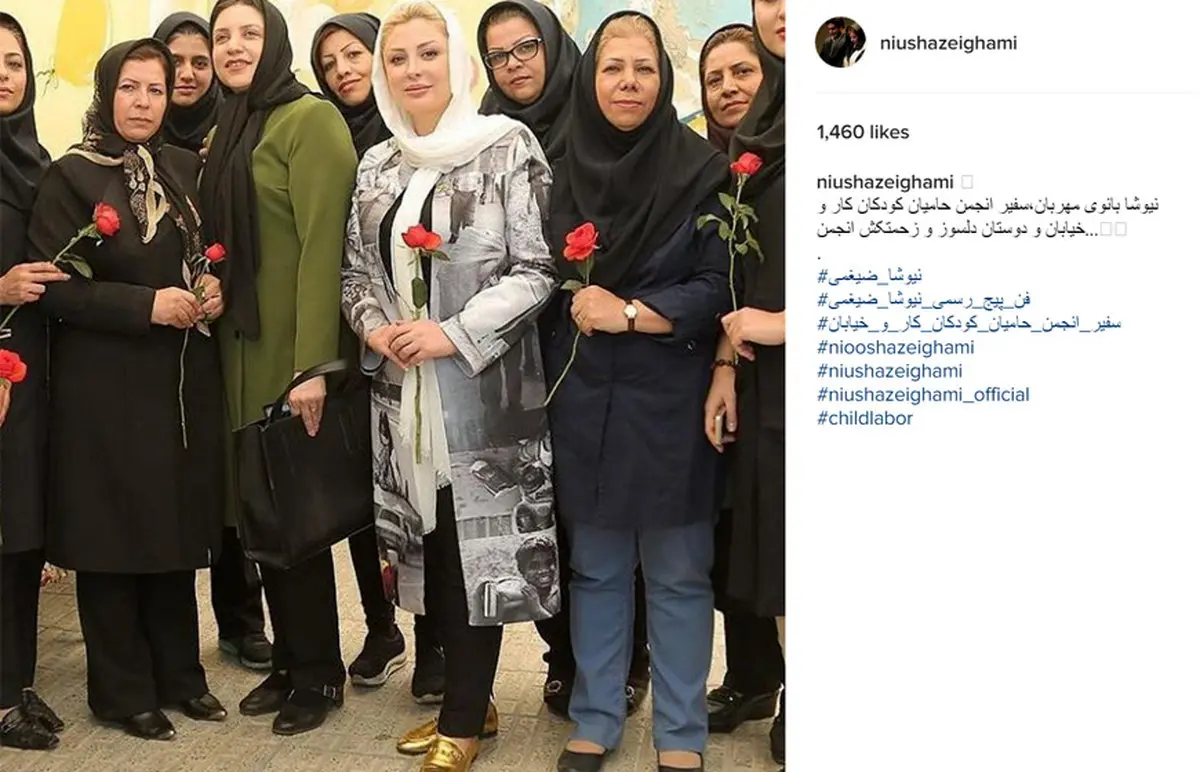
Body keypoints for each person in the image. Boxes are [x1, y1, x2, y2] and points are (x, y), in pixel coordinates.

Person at [341, 2, 559, 768]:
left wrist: (451, 332)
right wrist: (377, 328)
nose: (413, 70)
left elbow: (537, 270)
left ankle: (461, 723)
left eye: (427, 53)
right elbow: (355, 274)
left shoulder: (505, 146)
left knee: (479, 554)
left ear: (457, 61)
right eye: (398, 58)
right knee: (433, 549)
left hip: (480, 391)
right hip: (403, 392)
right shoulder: (379, 163)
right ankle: (476, 699)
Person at [27, 36, 227, 742]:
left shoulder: (179, 167)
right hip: (104, 386)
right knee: (113, 534)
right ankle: (119, 691)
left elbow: (197, 252)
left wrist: (209, 284)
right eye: (130, 88)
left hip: (175, 382)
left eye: (156, 89)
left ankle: (180, 675)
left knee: (170, 526)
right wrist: (146, 306)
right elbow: (54, 289)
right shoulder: (70, 177)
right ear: (107, 92)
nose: (143, 103)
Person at [544, 11, 730, 772]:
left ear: (664, 78)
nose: (628, 82)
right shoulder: (561, 168)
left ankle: (681, 732)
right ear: (591, 78)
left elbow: (717, 283)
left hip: (671, 396)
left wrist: (629, 312)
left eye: (643, 68)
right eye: (613, 67)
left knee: (679, 571)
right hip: (586, 398)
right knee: (596, 567)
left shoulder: (701, 170)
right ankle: (596, 716)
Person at [476, 0, 650, 720]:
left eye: (526, 47)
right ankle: (564, 656)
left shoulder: (596, 131)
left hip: (589, 347)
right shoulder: (485, 136)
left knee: (598, 515)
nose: (514, 64)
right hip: (514, 353)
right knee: (540, 517)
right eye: (498, 55)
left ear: (554, 46)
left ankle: (626, 658)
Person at [200, 0, 358, 736]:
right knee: (260, 517)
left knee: (294, 514)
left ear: (274, 43)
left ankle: (320, 673)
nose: (234, 47)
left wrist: (313, 366)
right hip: (236, 350)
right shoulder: (232, 125)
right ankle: (290, 661)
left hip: (289, 353)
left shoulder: (309, 120)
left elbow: (325, 248)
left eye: (249, 34)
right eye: (222, 35)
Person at [310, 10, 446, 698]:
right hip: (355, 343)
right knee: (369, 502)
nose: (343, 71)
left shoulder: (426, 138)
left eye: (354, 54)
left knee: (424, 498)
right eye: (328, 63)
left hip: (426, 353)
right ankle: (381, 626)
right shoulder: (332, 138)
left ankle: (434, 644)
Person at [152, 9, 274, 675]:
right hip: (152, 336)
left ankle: (242, 621)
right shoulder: (130, 140)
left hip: (222, 327)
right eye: (174, 62)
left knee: (230, 477)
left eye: (200, 61)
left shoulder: (238, 130)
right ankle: (164, 634)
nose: (189, 73)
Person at [696, 19, 786, 752]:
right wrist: (725, 364)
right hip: (734, 371)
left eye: (743, 72)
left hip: (797, 362)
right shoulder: (710, 165)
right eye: (714, 78)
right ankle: (753, 677)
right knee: (739, 530)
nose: (728, 88)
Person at [0, 11, 65, 752]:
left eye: (14, 62)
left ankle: (14, 680)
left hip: (31, 375)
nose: (4, 75)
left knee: (19, 533)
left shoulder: (34, 159)